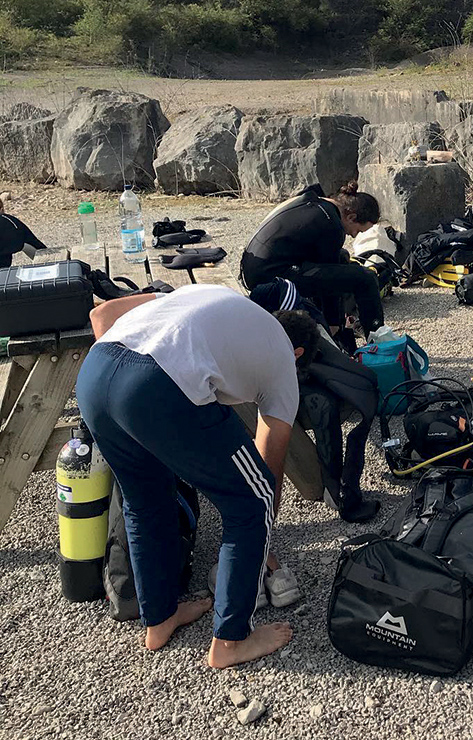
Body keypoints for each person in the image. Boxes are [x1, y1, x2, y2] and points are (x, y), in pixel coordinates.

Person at [76, 284, 320, 667]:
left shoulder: (213, 294)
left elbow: (101, 316)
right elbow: (266, 471)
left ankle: (158, 619)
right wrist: (260, 537)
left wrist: (126, 401)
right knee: (249, 502)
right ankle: (231, 641)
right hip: (156, 383)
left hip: (96, 373)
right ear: (297, 354)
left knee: (145, 501)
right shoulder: (283, 365)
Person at [248, 277, 382, 523]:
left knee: (320, 399)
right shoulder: (259, 350)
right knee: (320, 404)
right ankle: (266, 516)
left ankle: (329, 486)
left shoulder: (271, 328)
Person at [240, 181, 385, 350]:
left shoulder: (314, 201)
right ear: (351, 217)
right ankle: (379, 342)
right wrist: (332, 322)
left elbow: (331, 265)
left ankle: (342, 333)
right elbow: (330, 285)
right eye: (358, 231)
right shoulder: (332, 226)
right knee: (365, 278)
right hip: (270, 277)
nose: (353, 235)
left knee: (342, 256)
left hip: (257, 268)